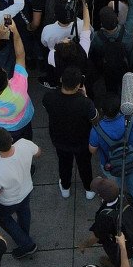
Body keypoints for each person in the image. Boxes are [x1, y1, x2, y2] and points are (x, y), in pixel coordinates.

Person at [0, 127, 40, 259]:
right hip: (26, 190)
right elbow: (38, 153)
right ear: (11, 138)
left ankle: (27, 245)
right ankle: (23, 235)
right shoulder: (24, 144)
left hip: (8, 201)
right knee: (24, 211)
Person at [43, 66, 98, 200]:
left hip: (59, 140)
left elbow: (47, 108)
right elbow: (95, 119)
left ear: (61, 80)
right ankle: (88, 189)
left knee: (64, 163)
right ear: (79, 84)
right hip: (82, 142)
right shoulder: (85, 103)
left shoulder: (49, 97)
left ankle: (66, 188)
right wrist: (85, 96)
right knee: (85, 165)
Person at [0, 16, 35, 140]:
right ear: (6, 79)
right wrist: (15, 33)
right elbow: (20, 56)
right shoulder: (18, 88)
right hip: (20, 126)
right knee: (25, 141)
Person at [89, 93, 133, 204]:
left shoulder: (96, 130)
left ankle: (116, 197)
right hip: (130, 159)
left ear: (101, 110)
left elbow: (92, 150)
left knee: (114, 182)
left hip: (109, 164)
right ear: (120, 108)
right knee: (132, 178)